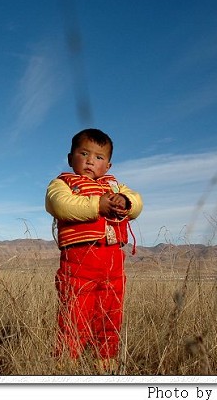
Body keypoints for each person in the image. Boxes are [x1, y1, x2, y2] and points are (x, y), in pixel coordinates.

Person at [45, 128, 143, 374]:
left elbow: (137, 202)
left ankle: (105, 364)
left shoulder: (115, 186)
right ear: (70, 158)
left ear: (108, 165)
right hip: (79, 260)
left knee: (110, 315)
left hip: (113, 260)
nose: (90, 161)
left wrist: (126, 201)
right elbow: (60, 205)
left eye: (99, 157)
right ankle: (65, 365)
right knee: (74, 317)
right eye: (84, 153)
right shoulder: (63, 183)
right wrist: (97, 204)